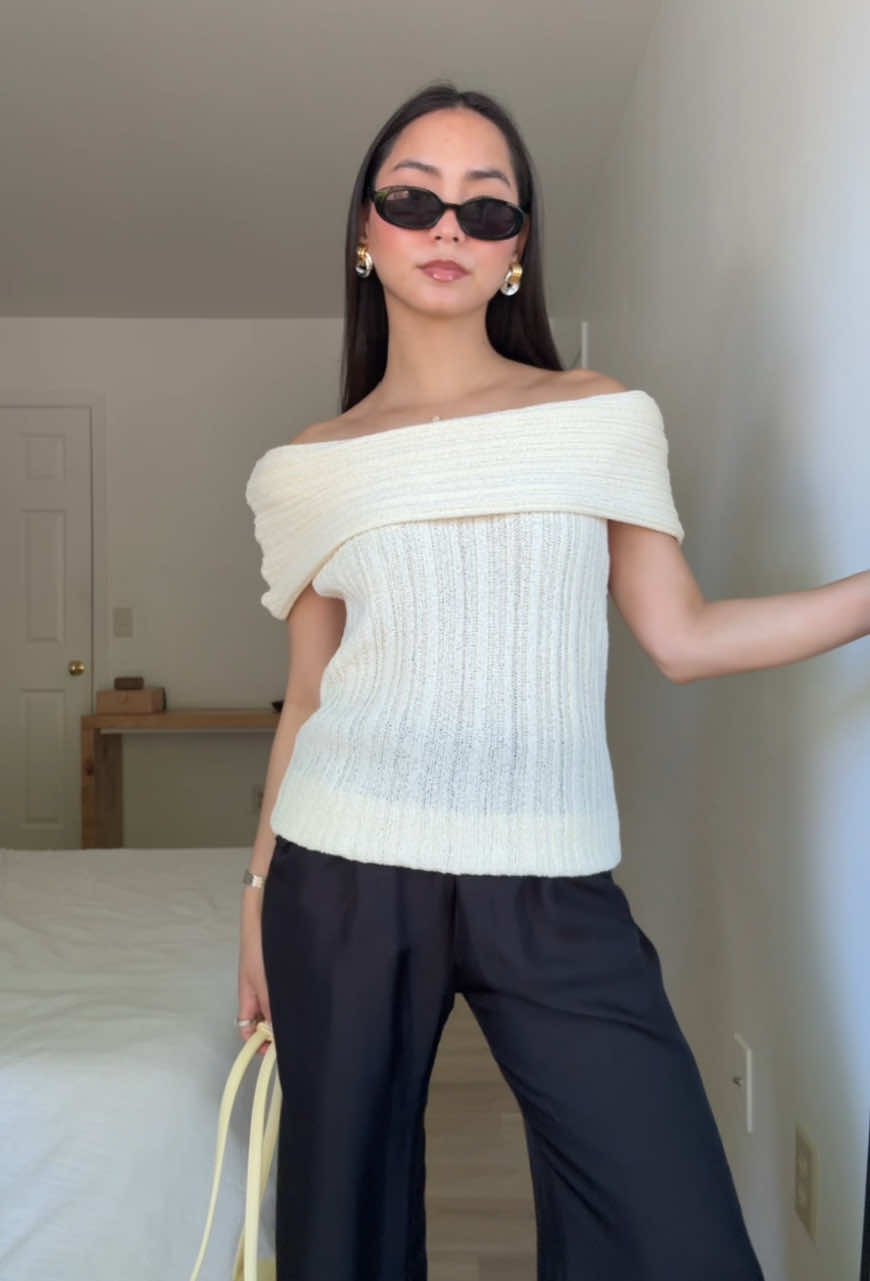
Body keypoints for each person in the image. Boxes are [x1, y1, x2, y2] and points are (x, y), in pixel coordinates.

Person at [239, 82, 869, 1281]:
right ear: (365, 231)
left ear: (517, 249)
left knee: (671, 1229)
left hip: (551, 874)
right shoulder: (308, 467)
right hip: (341, 872)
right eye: (414, 198)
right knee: (339, 1235)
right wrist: (255, 899)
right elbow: (309, 695)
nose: (448, 227)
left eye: (486, 207)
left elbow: (683, 637)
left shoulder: (598, 416)